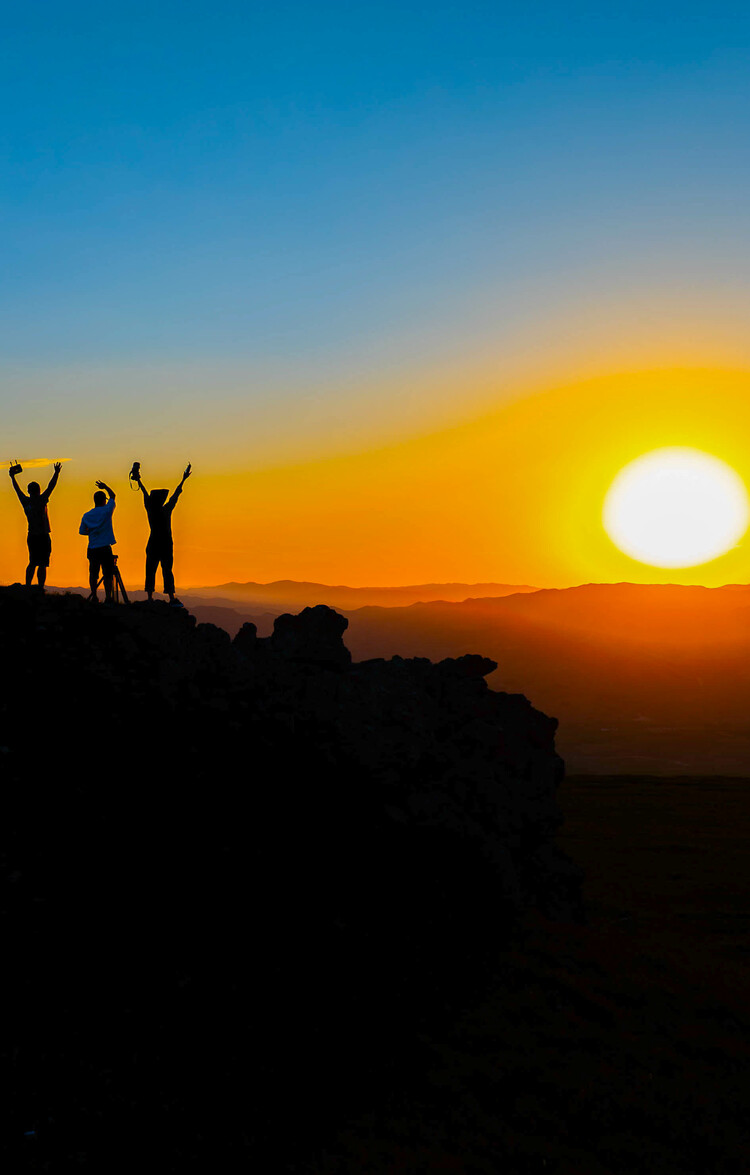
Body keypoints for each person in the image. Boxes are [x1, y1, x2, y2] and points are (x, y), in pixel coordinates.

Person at [134, 464, 191, 606]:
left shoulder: (150, 510)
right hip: (166, 544)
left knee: (150, 570)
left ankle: (149, 598)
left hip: (153, 543)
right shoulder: (166, 510)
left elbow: (144, 492)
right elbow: (176, 495)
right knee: (167, 570)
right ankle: (171, 598)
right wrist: (183, 479)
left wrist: (139, 481)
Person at [9, 461, 62, 589]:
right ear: (38, 490)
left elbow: (17, 490)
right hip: (43, 536)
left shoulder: (25, 501)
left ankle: (28, 587)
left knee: (32, 562)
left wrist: (12, 478)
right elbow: (51, 486)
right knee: (42, 564)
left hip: (32, 536)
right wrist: (56, 473)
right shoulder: (42, 499)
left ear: (29, 491)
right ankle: (40, 587)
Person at [79, 481, 117, 603]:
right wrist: (105, 486)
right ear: (103, 500)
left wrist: (91, 532)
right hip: (105, 547)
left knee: (93, 573)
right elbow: (113, 496)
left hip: (93, 547)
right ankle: (108, 597)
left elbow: (82, 532)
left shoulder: (87, 515)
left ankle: (94, 595)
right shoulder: (107, 511)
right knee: (108, 573)